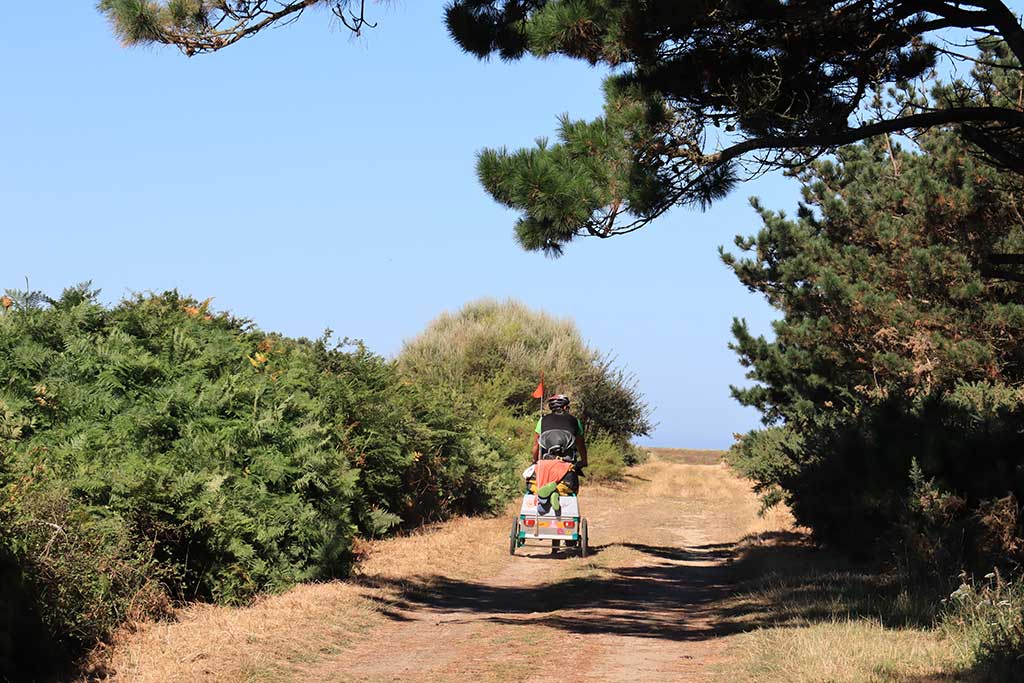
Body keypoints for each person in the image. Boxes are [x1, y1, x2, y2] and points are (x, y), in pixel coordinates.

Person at [531, 394, 588, 470]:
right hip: (567, 461)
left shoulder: (542, 420)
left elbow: (536, 445)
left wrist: (534, 461)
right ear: (565, 407)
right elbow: (580, 445)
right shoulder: (575, 421)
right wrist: (584, 461)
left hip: (546, 460)